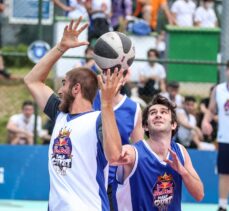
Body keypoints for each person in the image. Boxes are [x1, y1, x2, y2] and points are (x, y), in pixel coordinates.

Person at [24, 17, 124, 210]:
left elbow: (114, 157)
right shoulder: (60, 114)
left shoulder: (99, 120)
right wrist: (61, 47)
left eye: (64, 84)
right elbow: (32, 80)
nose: (60, 91)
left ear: (76, 89)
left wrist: (107, 104)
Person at [113, 95, 204, 210]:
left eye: (164, 112)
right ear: (145, 126)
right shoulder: (133, 153)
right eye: (153, 113)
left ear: (173, 125)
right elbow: (114, 154)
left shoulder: (180, 151)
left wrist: (183, 172)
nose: (158, 115)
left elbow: (199, 195)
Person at [92, 68, 144, 210]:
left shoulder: (133, 109)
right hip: (87, 177)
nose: (109, 79)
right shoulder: (88, 99)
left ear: (123, 79)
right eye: (105, 74)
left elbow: (138, 150)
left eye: (115, 76)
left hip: (114, 182)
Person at [202, 61, 229, 211]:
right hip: (225, 138)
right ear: (227, 71)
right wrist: (206, 121)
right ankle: (222, 206)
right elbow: (211, 110)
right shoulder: (218, 90)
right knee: (224, 173)